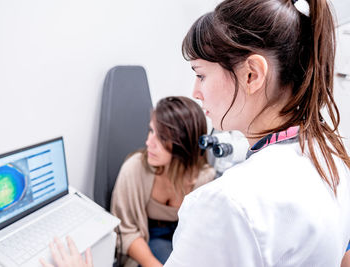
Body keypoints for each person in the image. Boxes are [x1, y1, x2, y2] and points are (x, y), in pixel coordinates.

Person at [41, 0, 350, 266]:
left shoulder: (228, 202)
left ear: (252, 75)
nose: (196, 92)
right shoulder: (334, 159)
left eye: (201, 75)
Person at [110, 96, 215, 267]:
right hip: (149, 235)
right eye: (151, 131)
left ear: (183, 144)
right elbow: (125, 230)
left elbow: (204, 236)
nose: (148, 142)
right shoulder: (134, 169)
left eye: (161, 137)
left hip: (184, 238)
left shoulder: (204, 178)